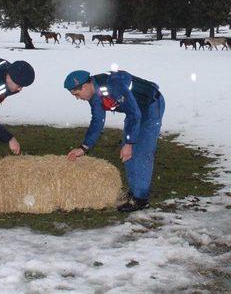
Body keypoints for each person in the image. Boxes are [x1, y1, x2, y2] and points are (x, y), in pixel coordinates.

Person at [64, 69, 165, 212]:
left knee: (141, 151)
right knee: (127, 153)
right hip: (135, 112)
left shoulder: (114, 84)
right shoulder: (94, 94)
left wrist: (129, 143)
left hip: (150, 107)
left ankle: (140, 200)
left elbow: (134, 114)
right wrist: (83, 147)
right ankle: (134, 191)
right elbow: (98, 120)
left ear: (85, 86)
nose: (77, 98)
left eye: (77, 94)